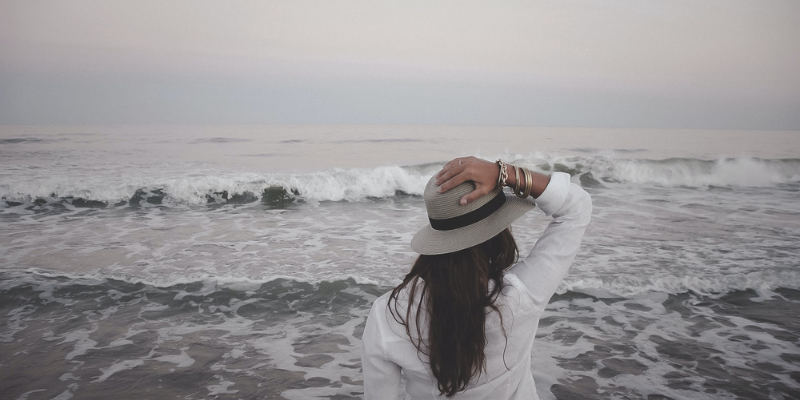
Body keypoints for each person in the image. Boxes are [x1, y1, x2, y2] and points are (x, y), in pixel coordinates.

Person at [361, 156, 592, 399]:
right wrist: (505, 173)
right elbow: (577, 206)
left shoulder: (389, 314)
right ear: (499, 233)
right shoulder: (523, 294)